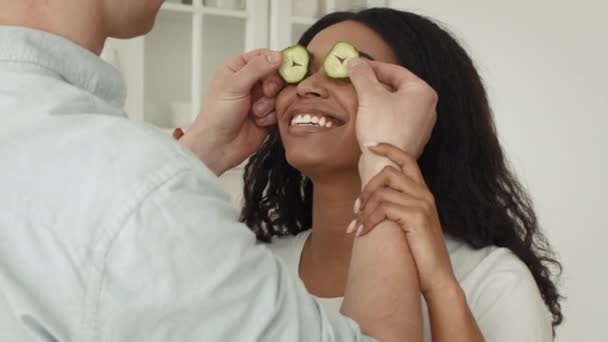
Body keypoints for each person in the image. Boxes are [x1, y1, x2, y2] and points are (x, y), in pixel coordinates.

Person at [0, 1, 434, 341]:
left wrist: (193, 156)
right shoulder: (140, 189)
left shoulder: (486, 274)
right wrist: (388, 155)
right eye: (306, 68)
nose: (309, 85)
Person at [239, 8, 564, 342]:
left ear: (422, 111)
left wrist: (440, 290)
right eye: (303, 69)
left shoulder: (492, 280)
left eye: (349, 69)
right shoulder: (253, 268)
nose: (307, 86)